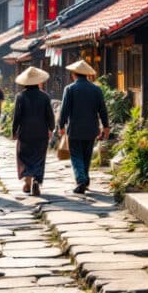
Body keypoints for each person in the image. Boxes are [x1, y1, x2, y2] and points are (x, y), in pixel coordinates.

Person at [57, 60, 109, 194]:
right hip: (92, 129)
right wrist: (106, 126)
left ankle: (81, 180)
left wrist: (61, 125)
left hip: (75, 128)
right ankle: (85, 180)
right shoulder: (96, 89)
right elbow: (102, 110)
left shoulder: (69, 89)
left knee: (76, 156)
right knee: (87, 155)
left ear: (74, 74)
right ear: (86, 75)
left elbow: (64, 110)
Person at [11, 67, 54, 195]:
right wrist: (51, 128)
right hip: (41, 131)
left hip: (25, 132)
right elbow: (50, 115)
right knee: (39, 156)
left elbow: (17, 116)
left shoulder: (20, 96)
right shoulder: (44, 96)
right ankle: (37, 180)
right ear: (38, 81)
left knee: (24, 156)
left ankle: (27, 182)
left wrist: (14, 131)